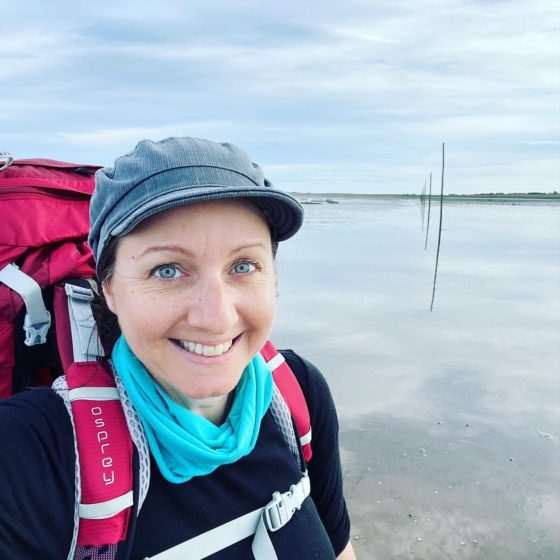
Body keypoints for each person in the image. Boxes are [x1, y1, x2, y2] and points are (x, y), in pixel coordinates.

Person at [0, 136, 356, 559]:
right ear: (109, 288)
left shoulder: (300, 394)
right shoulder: (28, 454)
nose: (216, 317)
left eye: (243, 266)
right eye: (167, 269)